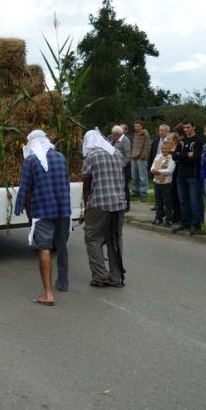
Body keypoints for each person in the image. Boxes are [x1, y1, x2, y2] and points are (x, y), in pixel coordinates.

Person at [14, 130, 71, 306]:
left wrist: (19, 207)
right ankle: (63, 282)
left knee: (44, 248)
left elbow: (25, 187)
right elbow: (65, 182)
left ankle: (48, 294)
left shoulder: (31, 161)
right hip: (63, 209)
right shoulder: (61, 156)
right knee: (61, 246)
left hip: (43, 210)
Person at [82, 129, 127, 287]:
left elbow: (87, 181)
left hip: (99, 204)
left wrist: (86, 205)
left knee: (93, 238)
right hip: (119, 203)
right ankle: (116, 277)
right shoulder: (116, 153)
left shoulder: (92, 156)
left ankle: (100, 276)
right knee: (114, 239)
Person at [171, 120, 203, 234]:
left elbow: (195, 158)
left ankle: (196, 224)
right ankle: (186, 222)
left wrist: (182, 156)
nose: (186, 130)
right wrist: (186, 155)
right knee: (183, 200)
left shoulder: (198, 141)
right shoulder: (181, 142)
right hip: (181, 174)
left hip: (193, 175)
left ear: (193, 127)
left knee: (194, 201)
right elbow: (174, 156)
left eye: (188, 127)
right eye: (184, 128)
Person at [151, 139, 176, 226]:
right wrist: (153, 170)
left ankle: (169, 218)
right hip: (157, 182)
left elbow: (170, 170)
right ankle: (158, 217)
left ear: (169, 149)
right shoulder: (158, 156)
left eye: (166, 149)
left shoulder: (171, 158)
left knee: (167, 202)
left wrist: (159, 171)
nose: (164, 150)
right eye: (163, 149)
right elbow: (153, 166)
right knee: (158, 201)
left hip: (166, 183)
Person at [111, 125, 132, 212]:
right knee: (119, 186)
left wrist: (122, 165)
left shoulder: (125, 140)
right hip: (116, 168)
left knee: (124, 187)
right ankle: (119, 203)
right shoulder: (115, 140)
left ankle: (126, 206)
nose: (112, 136)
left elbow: (128, 154)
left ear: (117, 134)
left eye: (113, 135)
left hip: (124, 167)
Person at [130, 120, 151, 199]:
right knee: (134, 176)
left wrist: (143, 154)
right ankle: (135, 191)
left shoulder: (145, 134)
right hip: (133, 157)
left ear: (141, 126)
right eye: (135, 126)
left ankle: (143, 192)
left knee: (142, 176)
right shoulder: (134, 134)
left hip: (141, 157)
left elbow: (147, 145)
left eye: (138, 126)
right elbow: (132, 145)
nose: (136, 128)